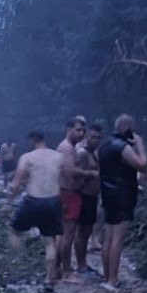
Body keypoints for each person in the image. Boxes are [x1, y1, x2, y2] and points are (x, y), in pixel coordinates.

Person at [6, 130, 68, 290]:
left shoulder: (27, 157)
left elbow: (17, 182)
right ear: (43, 140)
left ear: (32, 141)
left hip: (33, 200)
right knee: (49, 241)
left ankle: (20, 259)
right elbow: (64, 180)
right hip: (53, 200)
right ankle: (49, 278)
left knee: (14, 231)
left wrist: (8, 203)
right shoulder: (58, 157)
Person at [98, 114, 147, 292]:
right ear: (128, 129)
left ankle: (106, 276)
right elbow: (142, 166)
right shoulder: (122, 147)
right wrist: (140, 145)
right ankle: (113, 280)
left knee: (108, 237)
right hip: (122, 195)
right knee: (117, 239)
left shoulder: (104, 145)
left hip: (108, 194)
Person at [56, 115, 88, 278]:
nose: (81, 133)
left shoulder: (70, 147)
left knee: (63, 234)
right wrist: (91, 173)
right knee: (67, 234)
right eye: (78, 130)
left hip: (66, 192)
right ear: (69, 130)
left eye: (83, 130)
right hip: (68, 193)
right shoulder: (67, 148)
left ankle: (57, 268)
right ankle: (67, 270)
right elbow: (70, 172)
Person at [74, 122, 102, 277]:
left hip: (92, 196)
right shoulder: (82, 153)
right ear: (85, 136)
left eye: (98, 138)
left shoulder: (94, 153)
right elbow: (75, 174)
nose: (95, 140)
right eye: (93, 137)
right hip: (83, 196)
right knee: (82, 232)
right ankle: (81, 264)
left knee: (87, 231)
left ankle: (83, 263)